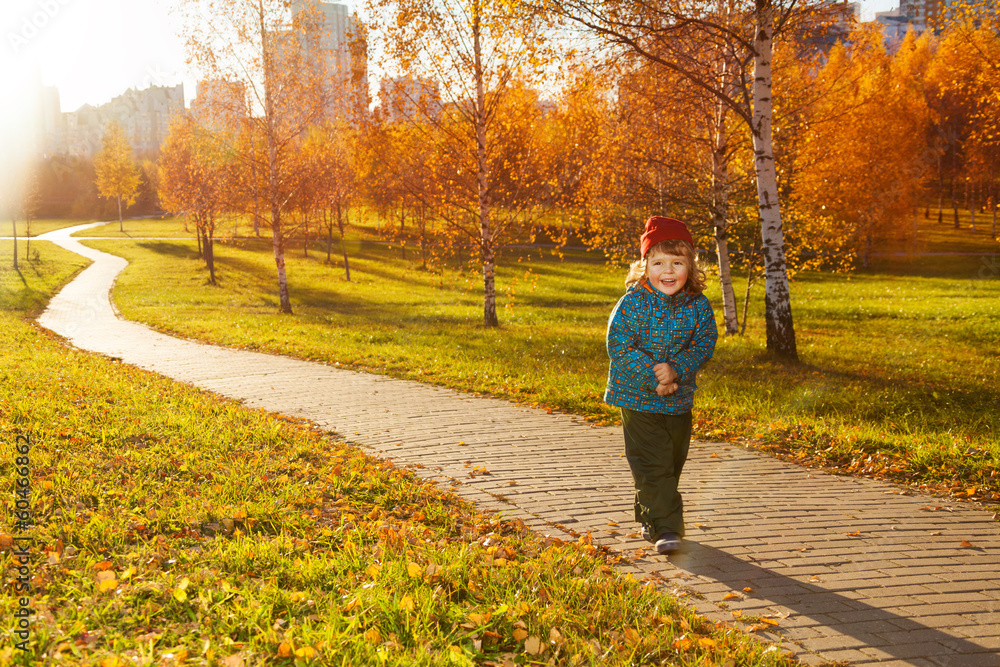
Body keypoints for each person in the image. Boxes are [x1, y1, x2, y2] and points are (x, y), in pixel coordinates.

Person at [605, 216, 718, 555]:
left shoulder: (698, 306)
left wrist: (676, 371)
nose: (668, 271)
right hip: (637, 398)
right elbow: (619, 345)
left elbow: (704, 343)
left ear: (690, 266)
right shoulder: (633, 303)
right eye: (658, 263)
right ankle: (667, 528)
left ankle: (650, 517)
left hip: (678, 399)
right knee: (652, 463)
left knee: (670, 463)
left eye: (677, 263)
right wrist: (657, 376)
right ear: (645, 266)